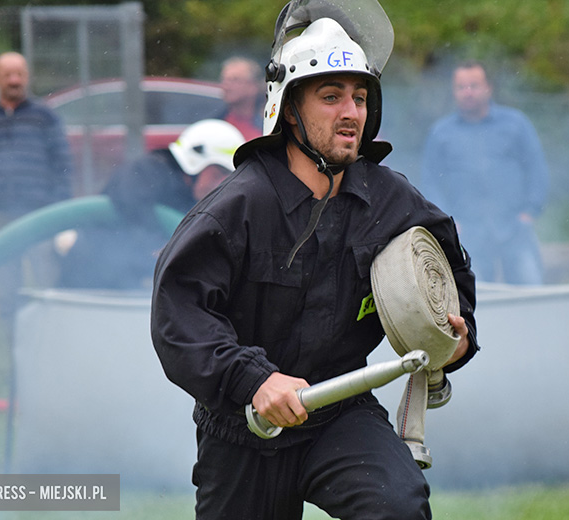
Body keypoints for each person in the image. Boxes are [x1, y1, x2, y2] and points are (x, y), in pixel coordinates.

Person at [150, 1, 478, 519]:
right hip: (244, 428)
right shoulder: (235, 208)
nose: (351, 112)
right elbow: (179, 318)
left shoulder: (391, 198)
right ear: (290, 107)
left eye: (360, 97)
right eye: (331, 97)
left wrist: (457, 336)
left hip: (340, 413)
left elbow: (452, 270)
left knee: (397, 505)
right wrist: (254, 380)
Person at [57, 119, 245, 290]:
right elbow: (131, 211)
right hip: (88, 286)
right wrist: (159, 250)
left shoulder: (187, 194)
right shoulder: (147, 172)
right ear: (194, 163)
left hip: (126, 292)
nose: (219, 185)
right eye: (217, 174)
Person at [0, 51, 73, 332]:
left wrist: (59, 209)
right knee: (6, 288)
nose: (15, 80)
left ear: (27, 77)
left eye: (20, 74)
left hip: (41, 216)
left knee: (47, 285)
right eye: (8, 75)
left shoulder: (45, 116)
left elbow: (63, 162)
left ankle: (52, 338)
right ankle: (16, 346)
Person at [421, 61, 549, 285]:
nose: (467, 92)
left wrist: (530, 211)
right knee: (477, 301)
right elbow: (430, 181)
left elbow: (536, 169)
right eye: (461, 87)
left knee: (530, 292)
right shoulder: (441, 133)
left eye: (474, 85)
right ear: (454, 92)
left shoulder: (516, 124)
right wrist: (448, 221)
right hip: (468, 235)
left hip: (515, 229)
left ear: (488, 87)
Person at [215, 56, 265, 140]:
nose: (226, 86)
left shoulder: (267, 128)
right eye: (224, 80)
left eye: (234, 80)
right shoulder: (214, 124)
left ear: (253, 86)